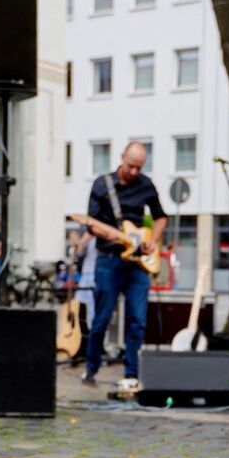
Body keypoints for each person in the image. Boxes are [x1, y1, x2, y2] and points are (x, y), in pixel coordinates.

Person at [82, 142, 167, 389]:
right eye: (131, 166)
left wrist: (152, 239)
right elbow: (91, 223)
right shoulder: (102, 185)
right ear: (122, 158)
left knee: (137, 319)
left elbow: (161, 217)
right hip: (109, 259)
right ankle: (91, 367)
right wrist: (106, 233)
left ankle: (132, 373)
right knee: (102, 317)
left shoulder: (146, 184)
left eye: (139, 167)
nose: (134, 172)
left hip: (137, 263)